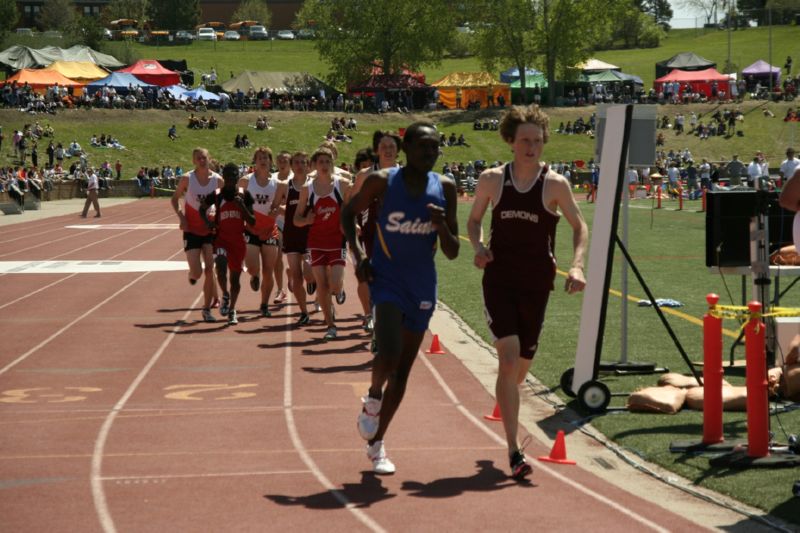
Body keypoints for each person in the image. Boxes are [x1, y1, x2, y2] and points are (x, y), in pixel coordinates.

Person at [467, 105, 588, 480]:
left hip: (537, 284)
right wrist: (479, 246)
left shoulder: (555, 184)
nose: (532, 147)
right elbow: (472, 221)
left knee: (519, 370)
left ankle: (507, 396)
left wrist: (577, 264)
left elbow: (579, 227)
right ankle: (514, 450)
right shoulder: (491, 180)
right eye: (524, 141)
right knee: (508, 359)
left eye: (537, 141)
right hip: (499, 280)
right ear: (510, 141)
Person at [342, 121, 460, 474]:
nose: (430, 152)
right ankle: (374, 394)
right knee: (389, 352)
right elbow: (349, 213)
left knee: (404, 372)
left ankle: (377, 444)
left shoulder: (446, 188)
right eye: (423, 146)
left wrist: (440, 226)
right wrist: (359, 256)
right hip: (387, 278)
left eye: (435, 146)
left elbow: (453, 251)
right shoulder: (383, 181)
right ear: (405, 148)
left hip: (422, 285)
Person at [293, 147, 352, 340]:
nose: (325, 165)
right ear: (314, 166)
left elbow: (350, 213)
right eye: (321, 162)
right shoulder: (307, 189)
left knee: (334, 284)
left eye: (328, 162)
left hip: (337, 242)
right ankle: (331, 326)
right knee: (322, 285)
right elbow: (296, 219)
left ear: (332, 164)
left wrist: (352, 225)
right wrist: (307, 221)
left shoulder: (342, 185)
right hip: (316, 243)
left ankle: (340, 289)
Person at [350, 132, 401, 333]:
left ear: (398, 151)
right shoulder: (365, 175)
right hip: (371, 234)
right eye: (384, 147)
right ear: (377, 151)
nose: (388, 151)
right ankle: (374, 319)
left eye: (392, 147)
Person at [171, 148, 224, 323]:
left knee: (210, 270)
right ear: (194, 161)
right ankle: (192, 275)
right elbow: (174, 199)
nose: (202, 160)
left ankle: (206, 308)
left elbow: (225, 201)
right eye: (198, 158)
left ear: (209, 159)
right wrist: (182, 218)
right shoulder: (187, 178)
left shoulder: (217, 180)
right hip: (191, 230)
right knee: (197, 272)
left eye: (204, 157)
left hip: (209, 231)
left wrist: (219, 220)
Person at [201, 163, 256, 326]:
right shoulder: (217, 195)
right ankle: (225, 294)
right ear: (223, 177)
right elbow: (201, 208)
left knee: (235, 279)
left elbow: (252, 221)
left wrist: (242, 207)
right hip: (221, 239)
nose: (231, 179)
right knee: (221, 264)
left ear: (238, 177)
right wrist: (208, 223)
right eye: (228, 176)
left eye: (234, 176)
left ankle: (232, 309)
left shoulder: (244, 195)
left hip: (238, 242)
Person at [238, 146, 284, 318]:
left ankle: (264, 304)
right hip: (250, 229)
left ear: (271, 161)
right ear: (255, 162)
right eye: (260, 158)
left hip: (270, 230)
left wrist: (278, 210)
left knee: (269, 269)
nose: (263, 161)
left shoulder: (278, 185)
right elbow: (236, 202)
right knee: (252, 266)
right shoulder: (245, 181)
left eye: (266, 158)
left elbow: (284, 206)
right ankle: (253, 275)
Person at [282, 151, 317, 325]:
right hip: (291, 235)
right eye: (296, 162)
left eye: (303, 162)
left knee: (309, 274)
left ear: (308, 165)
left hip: (311, 237)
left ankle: (314, 281)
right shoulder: (285, 185)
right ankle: (304, 312)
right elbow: (275, 205)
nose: (299, 165)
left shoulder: (315, 186)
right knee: (297, 276)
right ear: (291, 165)